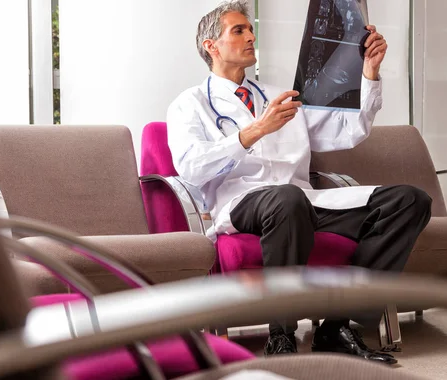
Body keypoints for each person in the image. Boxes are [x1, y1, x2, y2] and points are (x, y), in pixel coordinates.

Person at [167, 0, 432, 365]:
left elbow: (348, 132)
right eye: (238, 30)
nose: (250, 37)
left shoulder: (281, 96)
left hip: (304, 202)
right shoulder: (190, 104)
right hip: (244, 203)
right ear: (211, 46)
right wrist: (256, 130)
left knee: (409, 201)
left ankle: (337, 326)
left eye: (251, 29)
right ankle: (282, 335)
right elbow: (191, 168)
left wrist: (369, 72)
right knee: (286, 198)